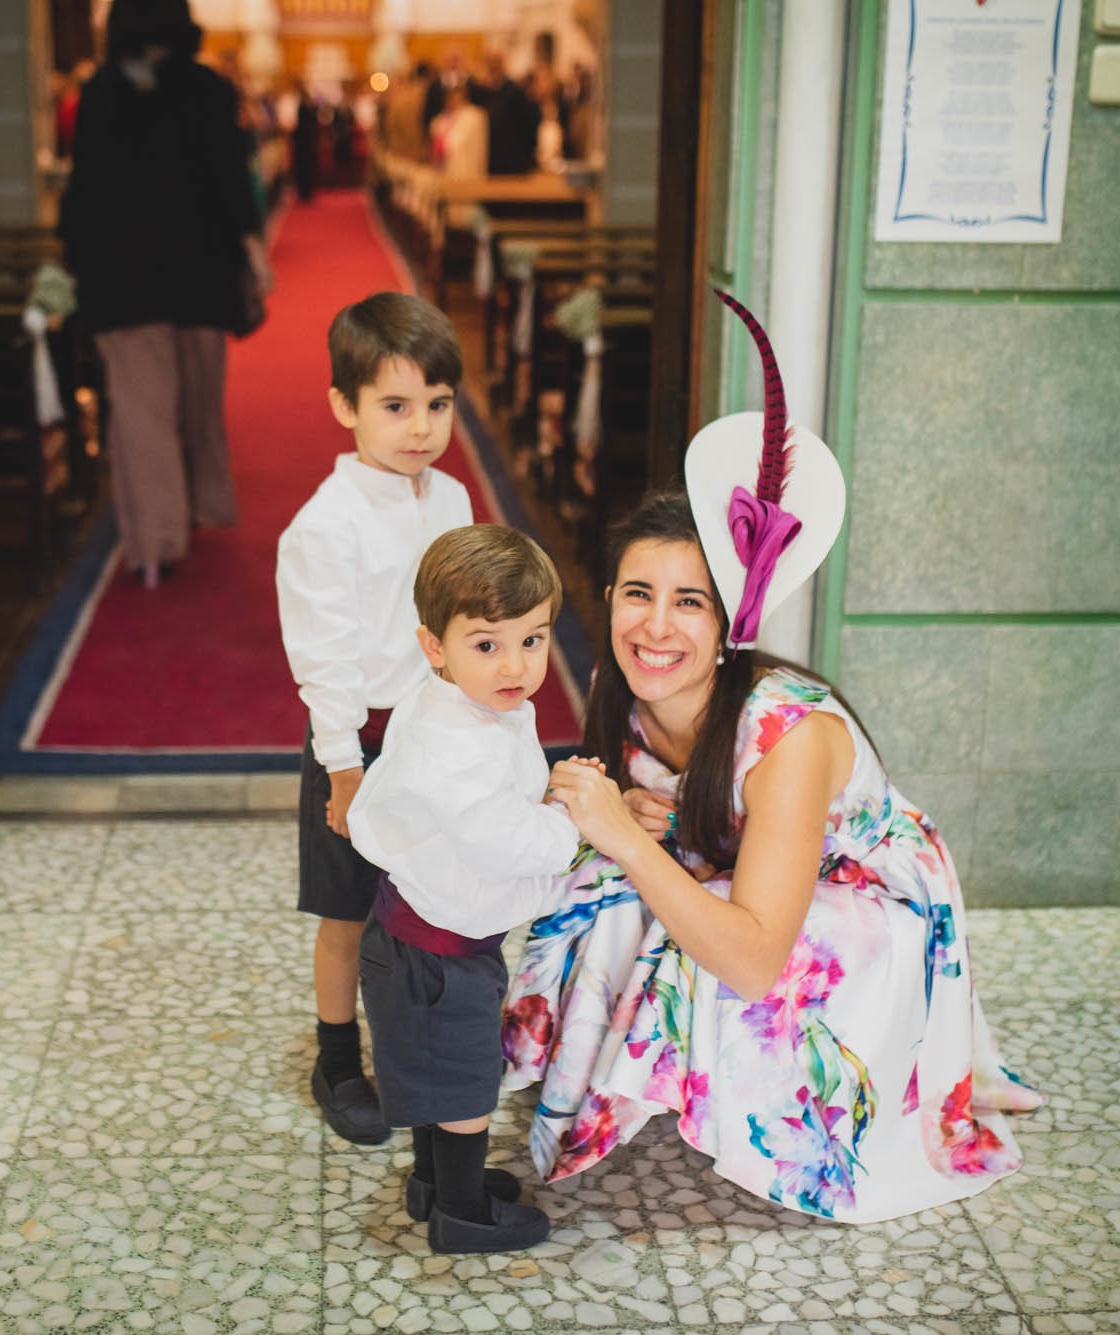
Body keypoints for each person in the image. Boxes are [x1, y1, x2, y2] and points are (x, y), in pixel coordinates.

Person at [513, 293, 1044, 1223]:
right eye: (637, 593)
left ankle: (778, 1110)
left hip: (867, 907)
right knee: (598, 888)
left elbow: (756, 957)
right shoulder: (624, 687)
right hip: (747, 873)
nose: (656, 625)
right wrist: (630, 824)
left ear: (729, 623)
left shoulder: (788, 735)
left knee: (685, 924)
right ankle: (570, 1080)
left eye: (690, 601)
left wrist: (636, 844)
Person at [347, 525, 580, 1254]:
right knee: (465, 1085)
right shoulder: (454, 746)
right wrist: (576, 823)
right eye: (488, 643)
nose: (515, 664)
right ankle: (461, 1210)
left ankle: (433, 1181)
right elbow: (503, 837)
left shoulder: (465, 699)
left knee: (429, 1070)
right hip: (436, 957)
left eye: (534, 639)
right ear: (433, 647)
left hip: (423, 935)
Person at [276, 293, 473, 1148]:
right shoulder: (324, 526)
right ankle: (335, 1057)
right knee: (348, 909)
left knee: (429, 897)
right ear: (344, 407)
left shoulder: (455, 497)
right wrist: (344, 768)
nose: (420, 427)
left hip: (439, 729)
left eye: (438, 405)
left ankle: (419, 1042)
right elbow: (327, 659)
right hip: (359, 739)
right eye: (395, 406)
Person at [57, 0, 271, 589]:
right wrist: (252, 254)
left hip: (120, 277)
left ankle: (154, 544)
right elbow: (231, 184)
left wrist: (75, 261)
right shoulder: (207, 92)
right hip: (197, 273)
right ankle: (195, 508)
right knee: (196, 402)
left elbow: (85, 192)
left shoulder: (101, 93)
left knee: (142, 413)